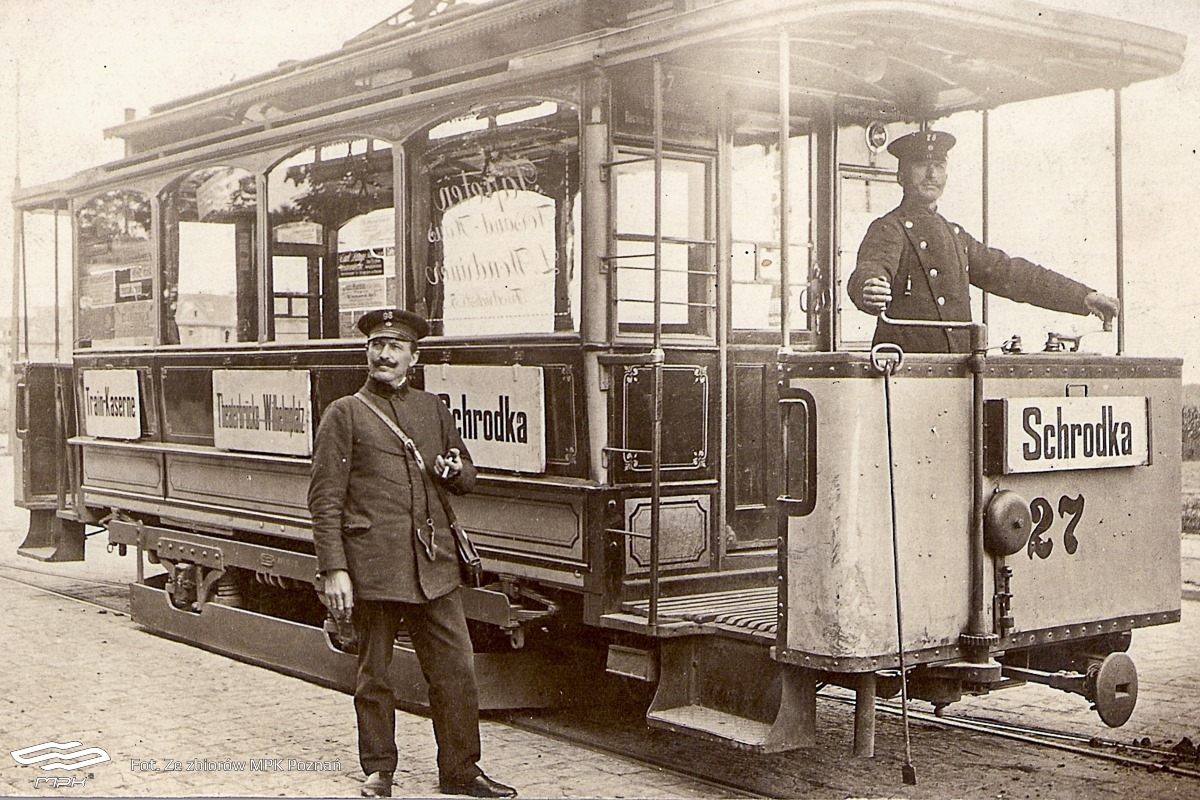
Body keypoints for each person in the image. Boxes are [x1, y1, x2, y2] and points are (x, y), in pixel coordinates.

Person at [308, 308, 516, 799]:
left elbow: (466, 474)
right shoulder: (345, 413)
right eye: (377, 345)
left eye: (395, 347)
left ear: (413, 357)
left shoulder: (431, 409)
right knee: (374, 674)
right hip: (374, 566)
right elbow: (324, 498)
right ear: (367, 353)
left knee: (456, 671)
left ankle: (462, 772)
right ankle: (379, 770)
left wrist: (453, 471)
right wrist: (334, 568)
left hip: (434, 566)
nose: (384, 354)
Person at [848, 129, 1120, 353]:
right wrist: (869, 288)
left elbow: (1011, 274)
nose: (931, 174)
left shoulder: (955, 236)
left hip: (958, 371)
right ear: (902, 176)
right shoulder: (889, 228)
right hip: (905, 373)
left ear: (946, 175)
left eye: (939, 166)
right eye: (921, 165)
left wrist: (1082, 297)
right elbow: (872, 268)